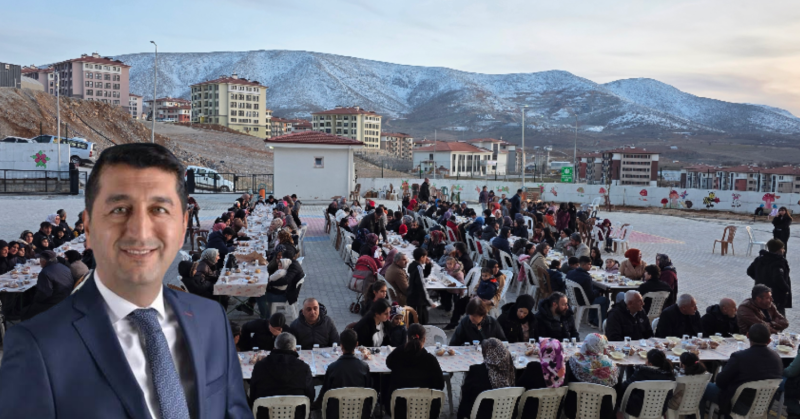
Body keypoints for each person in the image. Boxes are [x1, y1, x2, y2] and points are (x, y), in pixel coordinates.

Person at [0, 143, 250, 417]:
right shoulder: (37, 346)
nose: (140, 231)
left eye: (159, 209)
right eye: (119, 209)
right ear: (90, 229)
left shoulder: (211, 319)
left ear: (182, 228)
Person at [701, 324, 783, 416]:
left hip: (738, 403)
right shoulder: (777, 358)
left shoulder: (739, 357)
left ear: (747, 336)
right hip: (763, 404)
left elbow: (720, 382)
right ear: (769, 340)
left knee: (701, 386)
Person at [384, 324, 445, 417]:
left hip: (398, 409)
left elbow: (389, 363)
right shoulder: (430, 359)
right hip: (426, 410)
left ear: (407, 338)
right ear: (424, 339)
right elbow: (440, 385)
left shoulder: (397, 354)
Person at [249, 332, 315, 418]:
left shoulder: (259, 366)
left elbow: (253, 395)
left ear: (274, 348)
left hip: (265, 415)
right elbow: (310, 396)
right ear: (294, 349)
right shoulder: (304, 368)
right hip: (297, 415)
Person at [318, 329, 372, 419]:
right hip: (359, 412)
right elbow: (368, 389)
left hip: (336, 413)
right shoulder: (364, 367)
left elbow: (326, 391)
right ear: (357, 344)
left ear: (341, 345)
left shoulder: (332, 367)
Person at [457, 338, 516, 419]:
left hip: (480, 414)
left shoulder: (476, 370)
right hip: (506, 413)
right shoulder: (511, 370)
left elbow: (465, 397)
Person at [564, 334, 618, 419]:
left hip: (574, 410)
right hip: (603, 412)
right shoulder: (611, 366)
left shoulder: (573, 362)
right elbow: (616, 390)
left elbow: (565, 385)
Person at [617, 349, 675, 417]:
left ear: (650, 364)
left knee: (618, 396)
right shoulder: (669, 375)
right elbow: (669, 395)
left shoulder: (641, 373)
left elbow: (625, 386)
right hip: (659, 410)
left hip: (636, 410)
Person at [22, 250, 75, 320]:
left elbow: (45, 294)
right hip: (67, 296)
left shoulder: (45, 273)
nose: (39, 261)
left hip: (55, 302)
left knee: (25, 311)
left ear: (44, 261)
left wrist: (34, 300)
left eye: (40, 259)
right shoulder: (64, 267)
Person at [747, 239, 791, 314]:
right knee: (778, 319)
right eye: (782, 248)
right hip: (775, 296)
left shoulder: (760, 259)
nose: (784, 250)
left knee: (762, 316)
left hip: (760, 293)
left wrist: (760, 279)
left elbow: (749, 271)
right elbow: (778, 278)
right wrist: (786, 289)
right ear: (779, 249)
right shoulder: (779, 262)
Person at [260, 246, 304, 318]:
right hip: (287, 292)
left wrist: (271, 284)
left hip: (286, 296)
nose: (281, 259)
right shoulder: (292, 264)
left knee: (260, 296)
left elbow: (286, 280)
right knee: (260, 291)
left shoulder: (293, 266)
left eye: (282, 257)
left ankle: (266, 319)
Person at [566, 256, 610, 325]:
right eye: (589, 264)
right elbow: (591, 296)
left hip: (573, 298)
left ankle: (592, 318)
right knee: (605, 300)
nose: (590, 266)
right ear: (583, 265)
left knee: (595, 290)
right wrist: (599, 291)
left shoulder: (570, 272)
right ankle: (597, 322)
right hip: (582, 300)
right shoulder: (586, 277)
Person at [406, 247, 437, 325]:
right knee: (420, 319)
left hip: (412, 295)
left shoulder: (412, 265)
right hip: (417, 298)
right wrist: (429, 301)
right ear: (421, 257)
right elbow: (422, 286)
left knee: (415, 317)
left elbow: (424, 275)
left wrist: (428, 265)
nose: (426, 258)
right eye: (425, 256)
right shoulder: (418, 268)